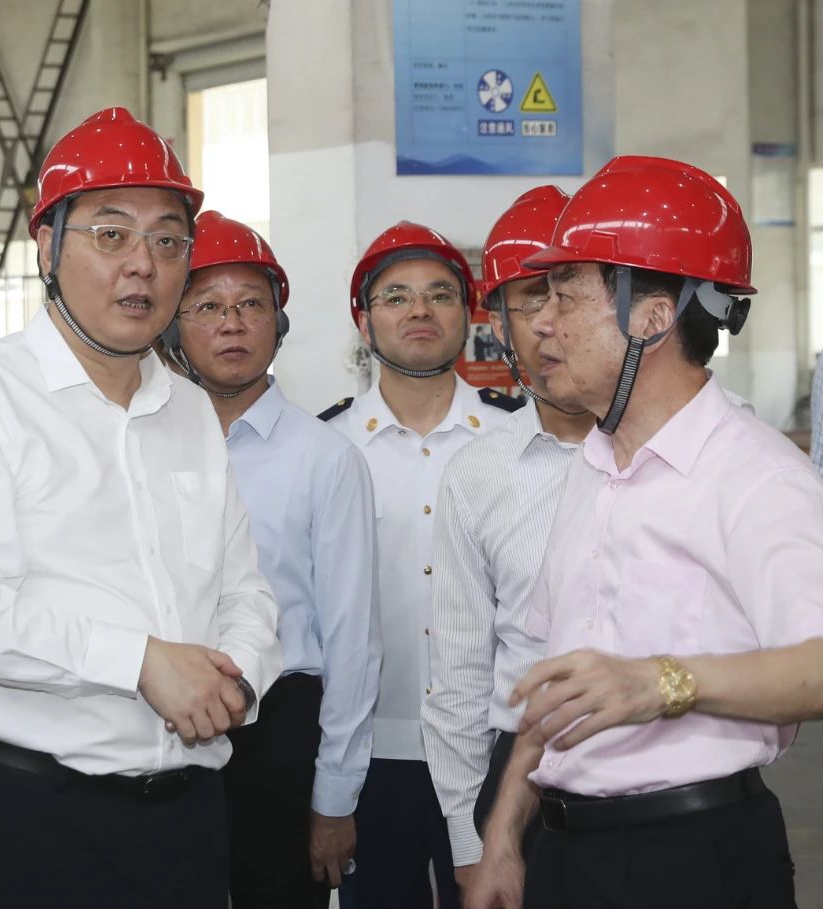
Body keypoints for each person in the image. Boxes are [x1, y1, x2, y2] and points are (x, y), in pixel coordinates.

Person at [0, 107, 282, 909]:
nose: (143, 264)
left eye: (168, 240)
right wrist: (140, 661)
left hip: (189, 819)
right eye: (111, 234)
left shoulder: (187, 409)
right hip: (33, 822)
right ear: (47, 246)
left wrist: (236, 679)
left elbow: (244, 587)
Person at [466, 156, 823, 909]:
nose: (542, 322)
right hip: (564, 851)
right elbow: (560, 680)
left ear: (652, 317)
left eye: (567, 295)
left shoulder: (757, 477)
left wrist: (662, 683)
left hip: (695, 859)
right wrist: (503, 833)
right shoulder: (590, 469)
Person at [162, 210, 381, 906]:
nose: (232, 324)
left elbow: (353, 640)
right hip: (161, 720)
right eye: (207, 306)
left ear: (277, 325)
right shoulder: (145, 448)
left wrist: (334, 798)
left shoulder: (325, 459)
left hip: (281, 733)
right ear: (173, 328)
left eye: (251, 304)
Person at [320, 221, 522, 909]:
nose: (419, 310)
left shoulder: (520, 439)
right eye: (396, 296)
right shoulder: (328, 448)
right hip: (370, 759)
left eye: (440, 294)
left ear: (468, 315)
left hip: (499, 752)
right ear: (364, 320)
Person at [420, 187, 596, 891]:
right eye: (530, 299)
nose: (552, 322)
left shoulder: (701, 447)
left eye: (570, 294)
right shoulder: (479, 473)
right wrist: (471, 842)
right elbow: (460, 675)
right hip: (522, 792)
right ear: (498, 323)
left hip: (675, 793)